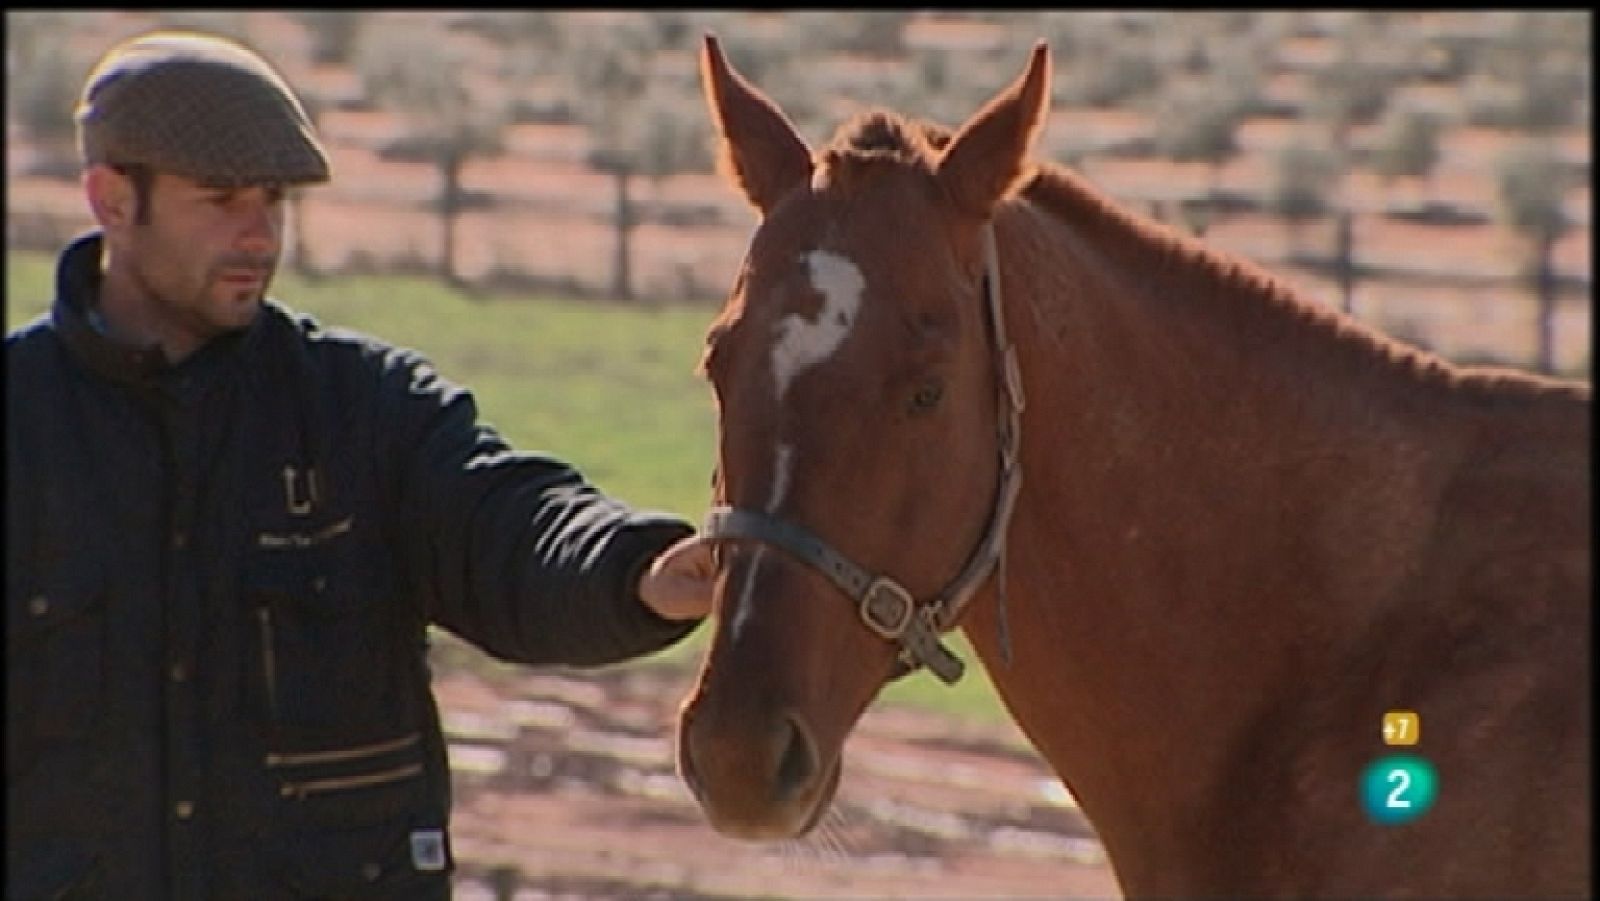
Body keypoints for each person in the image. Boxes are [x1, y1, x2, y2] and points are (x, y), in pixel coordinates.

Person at [5, 29, 716, 899]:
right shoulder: (22, 422)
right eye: (221, 199)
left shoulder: (363, 409)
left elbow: (506, 524)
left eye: (273, 200)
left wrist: (642, 570)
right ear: (111, 198)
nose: (258, 234)